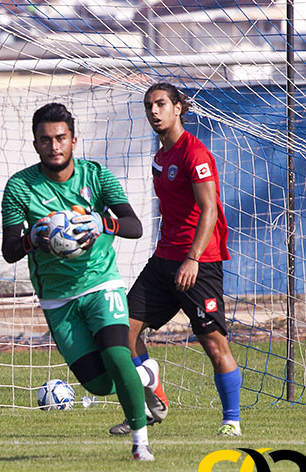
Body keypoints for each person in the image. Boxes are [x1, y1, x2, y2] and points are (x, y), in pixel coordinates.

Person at [1, 102, 163, 461]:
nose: (54, 146)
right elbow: (10, 250)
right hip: (58, 299)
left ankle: (140, 444)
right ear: (35, 144)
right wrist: (34, 238)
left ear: (74, 140)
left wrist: (103, 224)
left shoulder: (97, 176)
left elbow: (133, 226)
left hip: (101, 282)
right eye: (45, 140)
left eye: (60, 138)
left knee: (118, 353)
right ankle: (147, 377)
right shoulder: (19, 187)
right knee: (99, 384)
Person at [110, 82, 241, 437]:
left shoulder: (193, 153)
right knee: (124, 331)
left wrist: (193, 258)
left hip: (198, 263)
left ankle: (232, 420)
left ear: (178, 107)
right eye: (149, 105)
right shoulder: (160, 157)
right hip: (163, 260)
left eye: (161, 104)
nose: (154, 111)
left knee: (214, 344)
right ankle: (154, 402)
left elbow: (209, 208)